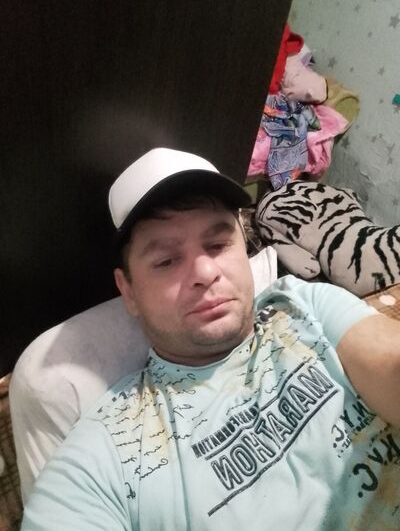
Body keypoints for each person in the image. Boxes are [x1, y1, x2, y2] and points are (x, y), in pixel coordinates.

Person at [22, 148, 400, 530]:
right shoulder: (111, 449)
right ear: (129, 291)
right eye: (166, 261)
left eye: (218, 245)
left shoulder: (306, 306)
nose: (205, 272)